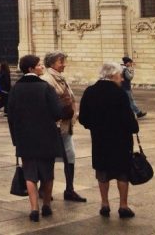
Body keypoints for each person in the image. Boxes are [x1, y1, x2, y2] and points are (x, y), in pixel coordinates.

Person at [7, 54, 65, 222]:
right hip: (47, 136)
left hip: (25, 138)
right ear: (31, 69)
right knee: (48, 172)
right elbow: (57, 112)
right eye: (39, 65)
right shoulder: (45, 87)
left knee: (30, 174)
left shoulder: (16, 89)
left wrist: (15, 139)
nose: (42, 67)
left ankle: (34, 208)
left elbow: (11, 116)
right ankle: (46, 205)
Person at [78, 62, 139, 219]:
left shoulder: (90, 91)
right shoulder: (119, 94)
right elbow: (128, 118)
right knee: (122, 172)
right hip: (121, 139)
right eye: (119, 76)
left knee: (102, 171)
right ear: (112, 76)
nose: (122, 80)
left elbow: (83, 117)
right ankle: (123, 206)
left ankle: (104, 204)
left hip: (100, 138)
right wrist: (134, 128)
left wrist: (94, 126)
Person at [41, 51, 87, 203]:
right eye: (61, 61)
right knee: (49, 157)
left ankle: (69, 189)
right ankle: (44, 189)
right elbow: (50, 102)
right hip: (55, 126)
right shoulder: (47, 79)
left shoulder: (60, 78)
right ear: (52, 64)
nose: (64, 64)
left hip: (67, 126)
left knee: (70, 155)